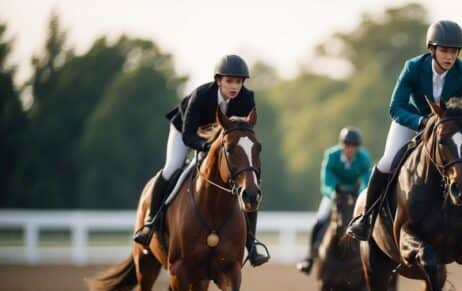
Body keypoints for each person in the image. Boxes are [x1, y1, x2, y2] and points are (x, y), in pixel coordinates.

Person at [346, 20, 462, 247]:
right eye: (444, 50)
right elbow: (396, 107)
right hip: (413, 121)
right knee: (386, 162)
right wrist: (422, 121)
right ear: (432, 49)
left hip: (448, 127)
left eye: (454, 51)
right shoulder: (413, 67)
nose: (449, 56)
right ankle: (366, 219)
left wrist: (460, 122)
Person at [133, 54, 269, 266]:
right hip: (186, 132)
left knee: (249, 184)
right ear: (218, 81)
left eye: (239, 81)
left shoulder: (246, 99)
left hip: (221, 139)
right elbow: (188, 136)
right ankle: (150, 222)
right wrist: (207, 147)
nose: (235, 86)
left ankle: (250, 244)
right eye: (229, 81)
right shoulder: (201, 96)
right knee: (171, 168)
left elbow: (242, 132)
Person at [297, 127, 372, 274]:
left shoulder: (364, 157)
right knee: (320, 220)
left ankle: (373, 256)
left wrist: (360, 192)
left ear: (357, 147)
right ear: (342, 145)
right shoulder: (331, 155)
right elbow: (326, 181)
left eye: (353, 146)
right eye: (347, 145)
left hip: (356, 194)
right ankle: (310, 256)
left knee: (368, 220)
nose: (350, 149)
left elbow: (366, 179)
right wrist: (334, 194)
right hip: (335, 194)